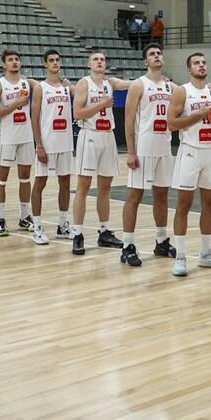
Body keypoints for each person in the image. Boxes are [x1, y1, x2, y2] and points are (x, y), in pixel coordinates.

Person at [120, 42, 183, 267]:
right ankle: (127, 245)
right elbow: (128, 120)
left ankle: (161, 241)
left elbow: (192, 93)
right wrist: (131, 151)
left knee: (162, 195)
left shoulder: (171, 87)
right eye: (152, 54)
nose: (156, 56)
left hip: (164, 147)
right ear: (145, 61)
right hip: (144, 147)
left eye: (159, 53)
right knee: (134, 196)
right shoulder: (139, 85)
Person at [168, 53, 211, 277]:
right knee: (183, 205)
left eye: (204, 62)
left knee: (210, 204)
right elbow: (171, 124)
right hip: (190, 151)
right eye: (196, 63)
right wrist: (198, 115)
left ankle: (206, 253)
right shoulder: (182, 91)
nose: (201, 65)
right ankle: (180, 256)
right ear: (189, 69)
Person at [66, 50, 132, 253]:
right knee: (83, 187)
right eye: (95, 59)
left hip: (108, 136)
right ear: (89, 64)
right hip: (90, 135)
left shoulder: (110, 83)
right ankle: (77, 233)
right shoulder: (84, 83)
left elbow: (133, 83)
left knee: (105, 188)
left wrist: (155, 80)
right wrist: (102, 104)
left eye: (102, 59)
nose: (100, 62)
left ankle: (104, 232)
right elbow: (77, 114)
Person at [30, 50, 81, 246]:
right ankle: (37, 226)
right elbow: (34, 118)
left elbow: (82, 98)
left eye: (57, 60)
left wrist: (71, 86)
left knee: (65, 184)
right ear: (45, 64)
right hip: (47, 143)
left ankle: (62, 225)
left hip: (65, 143)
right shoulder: (40, 88)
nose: (55, 63)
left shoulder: (67, 87)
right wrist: (39, 145)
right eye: (51, 60)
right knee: (40, 183)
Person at [0, 50, 37, 239]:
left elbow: (48, 87)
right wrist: (15, 104)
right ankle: (0, 219)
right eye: (10, 60)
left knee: (25, 178)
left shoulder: (28, 83)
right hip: (7, 137)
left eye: (17, 59)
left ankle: (25, 217)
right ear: (4, 65)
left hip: (26, 136)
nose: (15, 62)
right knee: (1, 179)